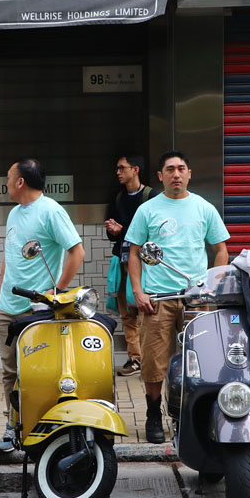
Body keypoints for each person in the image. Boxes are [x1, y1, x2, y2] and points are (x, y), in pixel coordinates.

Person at [125, 151, 230, 443]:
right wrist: (138, 291)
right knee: (153, 362)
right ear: (160, 176)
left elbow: (221, 249)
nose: (176, 174)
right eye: (170, 169)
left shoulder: (203, 208)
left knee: (200, 360)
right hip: (157, 298)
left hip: (196, 298)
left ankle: (189, 415)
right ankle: (153, 415)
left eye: (181, 168)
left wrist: (213, 282)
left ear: (189, 173)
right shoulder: (147, 210)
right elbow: (133, 253)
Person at [0, 158, 85, 453]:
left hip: (38, 311)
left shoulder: (51, 211)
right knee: (10, 372)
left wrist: (55, 291)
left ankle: (42, 425)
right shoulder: (13, 213)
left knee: (38, 371)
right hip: (9, 308)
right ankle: (13, 425)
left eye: (9, 177)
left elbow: (76, 251)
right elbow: (10, 258)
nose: (6, 182)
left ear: (21, 182)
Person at [104, 155, 159, 377]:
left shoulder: (152, 197)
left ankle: (149, 358)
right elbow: (112, 235)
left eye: (122, 168)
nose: (118, 172)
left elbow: (152, 233)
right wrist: (112, 229)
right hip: (123, 261)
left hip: (146, 265)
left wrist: (123, 230)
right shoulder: (117, 198)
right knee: (127, 314)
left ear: (135, 169)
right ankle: (135, 358)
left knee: (146, 311)